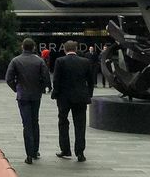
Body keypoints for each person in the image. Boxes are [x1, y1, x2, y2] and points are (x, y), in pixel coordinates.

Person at [6, 37, 52, 165]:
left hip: (23, 95)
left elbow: (9, 78)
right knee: (35, 121)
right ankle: (35, 150)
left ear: (22, 47)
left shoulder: (16, 60)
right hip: (36, 95)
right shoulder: (40, 61)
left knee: (26, 124)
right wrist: (43, 89)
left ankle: (29, 154)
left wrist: (16, 88)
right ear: (34, 48)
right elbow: (46, 77)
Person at [51, 40, 96, 162]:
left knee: (63, 122)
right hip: (81, 97)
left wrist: (55, 93)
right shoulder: (85, 62)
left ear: (65, 49)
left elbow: (56, 80)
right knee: (80, 125)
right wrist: (89, 94)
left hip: (64, 98)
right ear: (76, 49)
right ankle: (80, 152)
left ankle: (65, 150)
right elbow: (91, 81)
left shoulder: (60, 61)